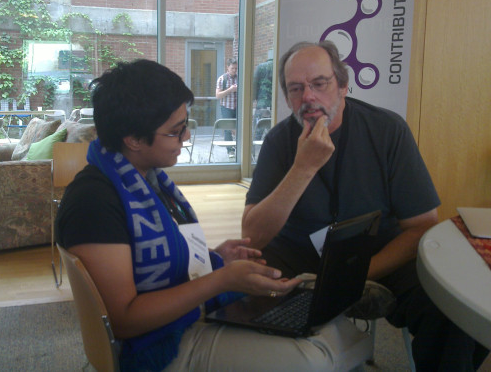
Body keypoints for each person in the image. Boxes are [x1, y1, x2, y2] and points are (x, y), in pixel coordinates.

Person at [55, 59, 372, 372]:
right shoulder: (94, 202)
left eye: (185, 126)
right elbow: (124, 320)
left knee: (339, 330)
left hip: (181, 321)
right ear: (133, 139)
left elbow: (154, 263)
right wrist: (220, 279)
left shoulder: (144, 181)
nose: (186, 138)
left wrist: (215, 257)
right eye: (176, 132)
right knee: (315, 359)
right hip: (155, 348)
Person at [242, 40, 489, 371]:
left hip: (378, 253)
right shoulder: (278, 142)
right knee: (245, 290)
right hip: (300, 255)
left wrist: (357, 275)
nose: (309, 97)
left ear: (343, 86)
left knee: (449, 311)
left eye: (319, 83)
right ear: (287, 97)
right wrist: (303, 168)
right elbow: (252, 235)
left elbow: (422, 225)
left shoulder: (387, 130)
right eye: (296, 89)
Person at [215, 58, 238, 158]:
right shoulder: (222, 79)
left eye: (236, 68)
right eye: (232, 68)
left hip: (238, 107)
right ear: (227, 67)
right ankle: (230, 150)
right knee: (228, 128)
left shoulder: (240, 78)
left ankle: (239, 147)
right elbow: (218, 96)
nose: (234, 70)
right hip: (226, 107)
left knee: (239, 128)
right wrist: (230, 90)